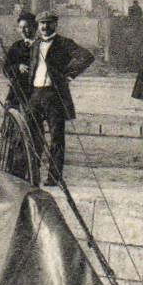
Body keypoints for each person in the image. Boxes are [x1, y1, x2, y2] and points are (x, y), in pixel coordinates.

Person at [26, 10, 95, 186]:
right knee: (33, 136)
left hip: (54, 95)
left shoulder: (64, 43)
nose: (45, 27)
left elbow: (87, 56)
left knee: (56, 138)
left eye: (48, 23)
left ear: (55, 24)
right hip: (35, 94)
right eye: (42, 23)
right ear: (38, 25)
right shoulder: (35, 44)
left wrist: (69, 74)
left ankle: (53, 177)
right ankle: (32, 174)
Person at [0, 12, 42, 181]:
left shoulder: (41, 46)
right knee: (14, 135)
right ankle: (15, 172)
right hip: (17, 95)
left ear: (35, 27)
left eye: (28, 27)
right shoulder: (16, 47)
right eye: (21, 28)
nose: (24, 30)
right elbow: (5, 68)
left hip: (35, 96)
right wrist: (17, 67)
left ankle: (33, 170)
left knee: (34, 134)